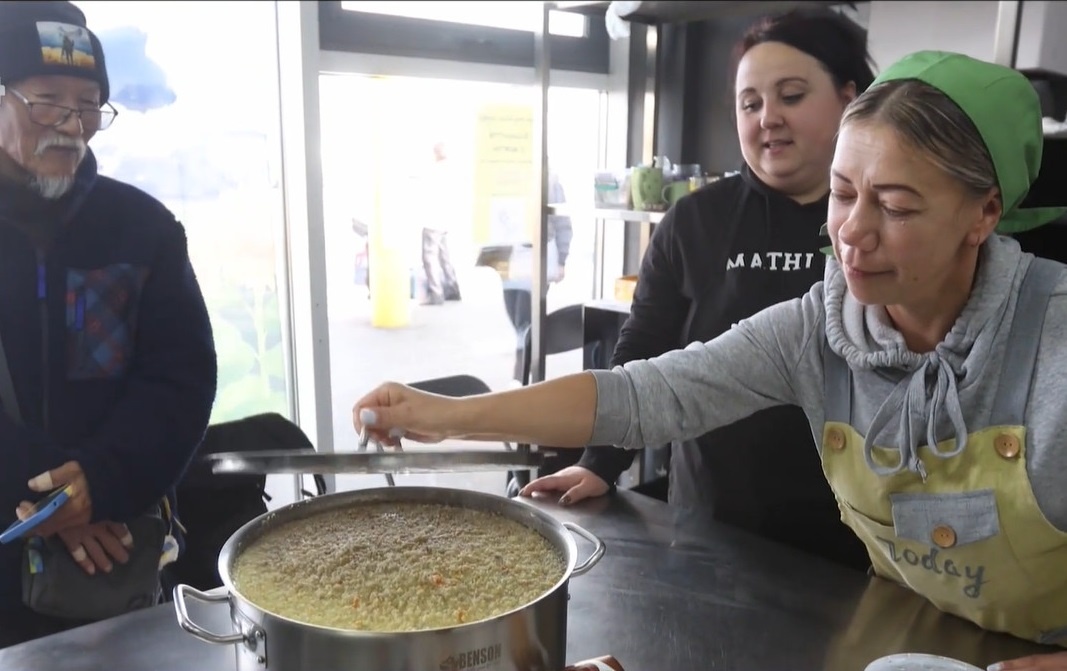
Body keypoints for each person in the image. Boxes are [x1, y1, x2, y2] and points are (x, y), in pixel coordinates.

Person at [355, 50, 1067, 667]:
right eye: (844, 194)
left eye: (896, 206)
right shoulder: (820, 330)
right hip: (904, 640)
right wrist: (446, 416)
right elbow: (646, 394)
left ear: (983, 214)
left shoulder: (1053, 336)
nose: (853, 233)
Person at [528, 7, 874, 570]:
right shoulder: (694, 222)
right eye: (750, 103)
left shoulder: (874, 224)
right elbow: (643, 352)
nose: (768, 118)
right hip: (714, 518)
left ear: (848, 98)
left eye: (791, 96)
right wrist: (598, 463)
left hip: (857, 530)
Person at [0, 1, 217, 646]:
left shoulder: (144, 230)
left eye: (90, 104)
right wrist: (51, 499)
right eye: (47, 101)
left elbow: (181, 381)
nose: (71, 124)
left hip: (115, 556)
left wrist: (101, 482)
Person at [501, 169, 573, 381]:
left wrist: (561, 259)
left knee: (525, 323)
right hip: (510, 256)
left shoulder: (549, 180)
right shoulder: (505, 175)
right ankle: (526, 376)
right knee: (516, 319)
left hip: (537, 256)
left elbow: (562, 222)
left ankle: (522, 378)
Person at [420, 141, 462, 305]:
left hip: (432, 220)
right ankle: (453, 289)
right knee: (445, 257)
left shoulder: (434, 171)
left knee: (429, 258)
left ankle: (436, 294)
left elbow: (426, 196)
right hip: (445, 221)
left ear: (436, 152)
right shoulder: (452, 171)